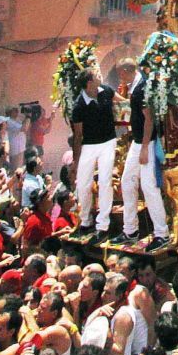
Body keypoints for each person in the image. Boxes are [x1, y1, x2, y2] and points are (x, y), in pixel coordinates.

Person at [121, 54, 170, 248]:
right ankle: (130, 229)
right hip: (138, 141)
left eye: (120, 73)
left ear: (126, 71)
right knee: (127, 180)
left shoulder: (142, 88)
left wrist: (144, 148)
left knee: (149, 186)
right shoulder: (135, 86)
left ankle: (161, 233)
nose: (120, 77)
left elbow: (148, 118)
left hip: (145, 143)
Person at [70, 66, 119, 235]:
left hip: (108, 142)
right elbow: (78, 135)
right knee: (83, 184)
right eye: (97, 75)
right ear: (89, 82)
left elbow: (122, 100)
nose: (101, 75)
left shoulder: (105, 91)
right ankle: (85, 219)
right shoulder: (79, 106)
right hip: (89, 145)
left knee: (105, 181)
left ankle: (103, 223)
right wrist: (76, 161)